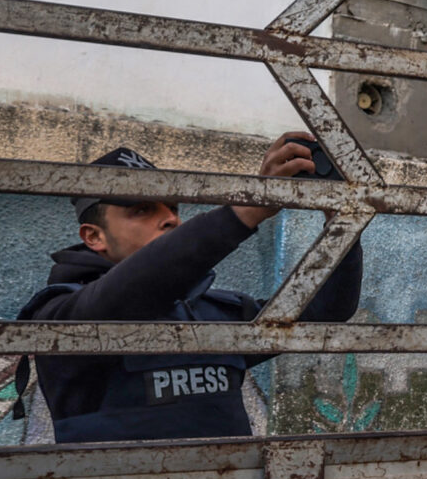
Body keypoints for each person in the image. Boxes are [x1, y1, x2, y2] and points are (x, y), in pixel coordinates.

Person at [20, 138, 364, 443]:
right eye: (142, 209)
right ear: (94, 236)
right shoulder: (60, 313)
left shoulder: (212, 312)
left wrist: (341, 224)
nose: (170, 219)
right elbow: (125, 293)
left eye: (173, 208)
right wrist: (248, 207)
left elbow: (324, 310)